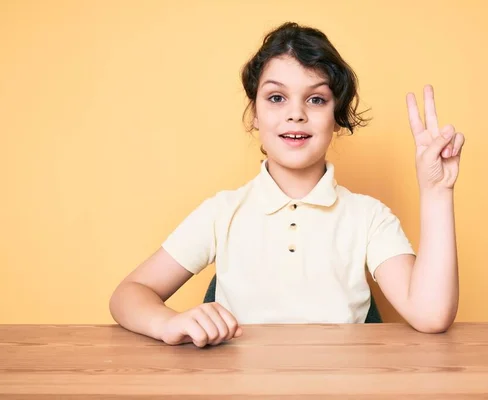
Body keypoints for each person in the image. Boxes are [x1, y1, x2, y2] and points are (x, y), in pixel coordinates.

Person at [109, 21, 466, 348]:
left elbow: (431, 315)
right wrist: (168, 323)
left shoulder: (369, 217)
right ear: (254, 115)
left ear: (337, 118)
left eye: (316, 99)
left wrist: (437, 191)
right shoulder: (222, 212)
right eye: (277, 97)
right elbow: (128, 294)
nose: (296, 113)